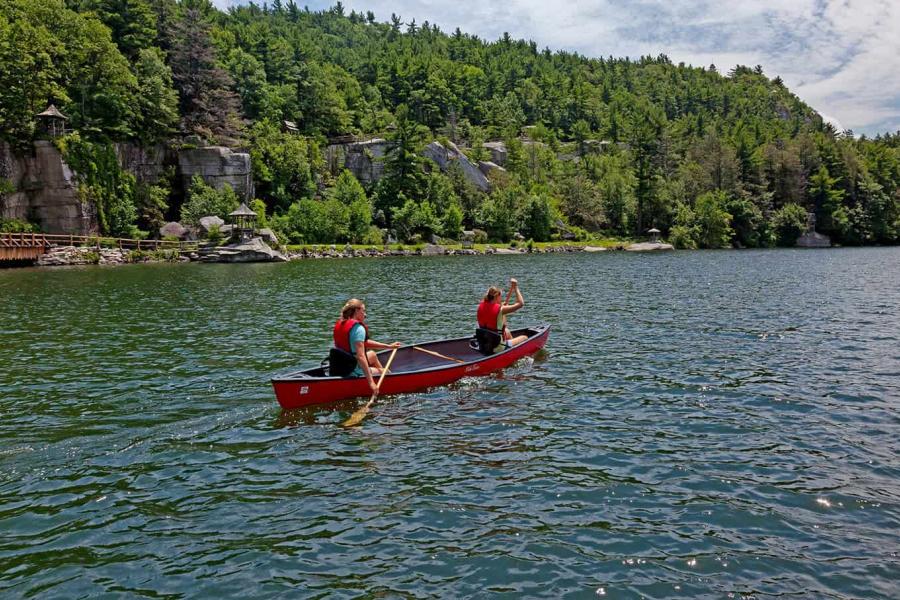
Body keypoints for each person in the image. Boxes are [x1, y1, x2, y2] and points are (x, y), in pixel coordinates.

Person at [333, 298, 401, 392]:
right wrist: (371, 383)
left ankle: (381, 374)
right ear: (356, 311)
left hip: (340, 365)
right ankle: (386, 378)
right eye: (363, 310)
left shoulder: (341, 324)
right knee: (387, 371)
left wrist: (388, 346)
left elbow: (364, 342)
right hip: (352, 369)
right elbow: (361, 357)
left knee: (372, 354)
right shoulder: (358, 329)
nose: (365, 314)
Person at [476, 278, 528, 352]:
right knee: (524, 338)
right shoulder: (501, 309)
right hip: (497, 347)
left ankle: (512, 351)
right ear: (497, 297)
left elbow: (502, 324)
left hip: (484, 345)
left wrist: (501, 308)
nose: (501, 299)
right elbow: (521, 303)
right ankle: (511, 353)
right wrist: (516, 287)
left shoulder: (481, 305)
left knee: (507, 331)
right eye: (500, 297)